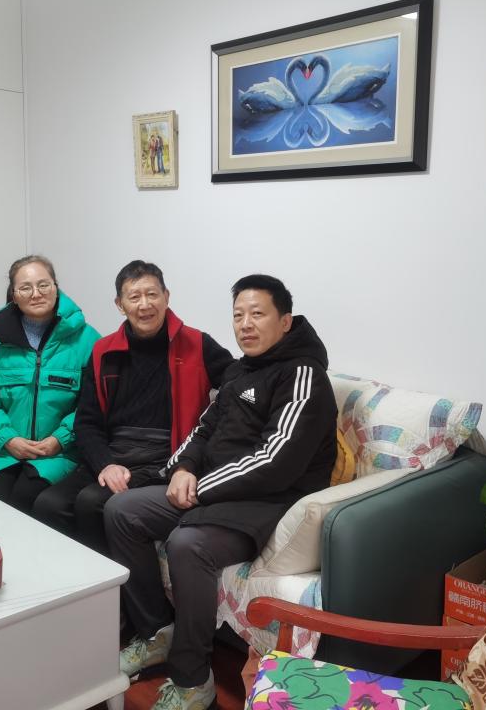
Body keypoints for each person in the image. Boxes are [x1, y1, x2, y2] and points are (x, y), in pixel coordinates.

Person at [105, 274, 337, 710]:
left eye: (257, 314)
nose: (245, 324)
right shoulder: (239, 370)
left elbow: (274, 462)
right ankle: (159, 631)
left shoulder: (303, 375)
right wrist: (182, 468)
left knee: (188, 544)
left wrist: (199, 487)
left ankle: (193, 680)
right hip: (216, 492)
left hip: (269, 502)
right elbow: (204, 428)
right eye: (238, 315)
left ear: (285, 321)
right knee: (122, 511)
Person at [33, 260, 233, 557]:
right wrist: (105, 464)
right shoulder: (104, 351)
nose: (144, 305)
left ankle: (113, 584)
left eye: (152, 294)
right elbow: (86, 422)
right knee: (48, 505)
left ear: (166, 296)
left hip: (164, 460)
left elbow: (237, 384)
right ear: (120, 304)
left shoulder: (197, 344)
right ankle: (73, 582)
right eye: (134, 296)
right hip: (113, 456)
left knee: (91, 502)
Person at [0, 255, 99, 516]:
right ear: (14, 295)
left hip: (59, 454)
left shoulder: (87, 340)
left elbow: (92, 405)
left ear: (56, 288)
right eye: (25, 288)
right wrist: (8, 439)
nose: (36, 294)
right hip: (4, 453)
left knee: (24, 500)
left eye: (43, 285)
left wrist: (59, 439)